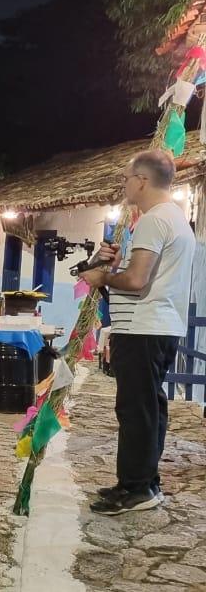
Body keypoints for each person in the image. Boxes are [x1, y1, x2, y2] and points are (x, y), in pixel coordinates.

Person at [81, 150, 195, 515]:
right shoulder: (174, 218)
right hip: (158, 326)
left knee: (135, 410)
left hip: (144, 327)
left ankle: (136, 489)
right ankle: (144, 481)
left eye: (127, 178)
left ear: (142, 180)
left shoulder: (153, 221)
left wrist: (102, 276)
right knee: (149, 407)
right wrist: (113, 265)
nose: (124, 185)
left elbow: (135, 280)